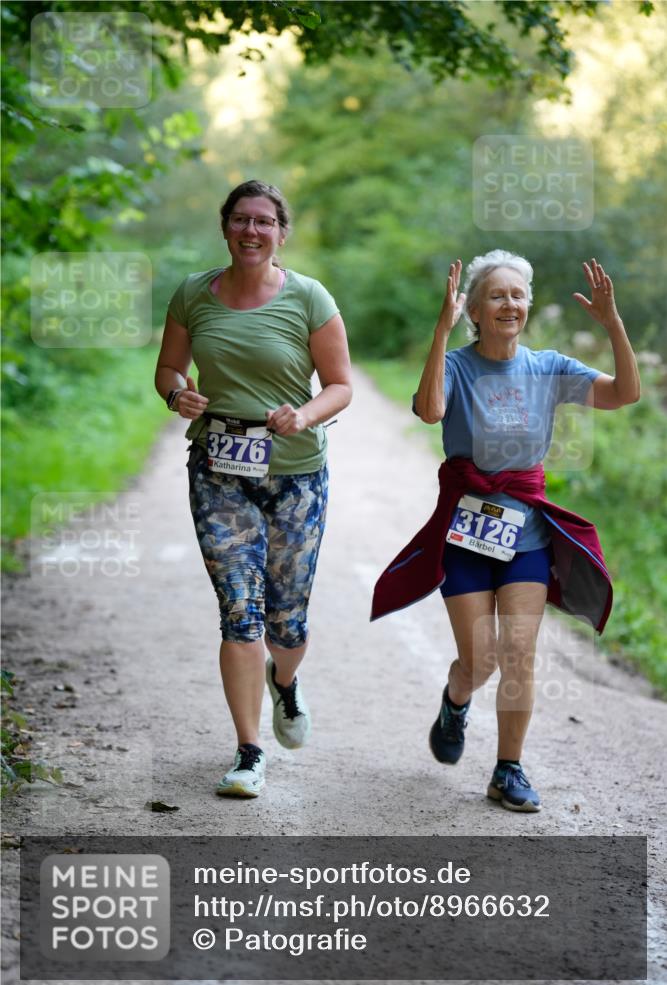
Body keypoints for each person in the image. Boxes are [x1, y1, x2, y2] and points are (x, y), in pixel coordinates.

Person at [372, 250, 640, 812]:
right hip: (466, 534)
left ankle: (508, 769)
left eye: (518, 295)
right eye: (497, 295)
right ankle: (456, 698)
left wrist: (613, 323)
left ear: (529, 305)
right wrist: (441, 333)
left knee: (519, 652)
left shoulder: (549, 367)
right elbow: (428, 409)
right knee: (481, 659)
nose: (509, 304)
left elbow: (623, 395)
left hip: (527, 535)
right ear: (474, 308)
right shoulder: (459, 364)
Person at [155, 179, 352, 797]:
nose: (251, 231)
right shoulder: (193, 294)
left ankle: (285, 683)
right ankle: (247, 752)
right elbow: (167, 367)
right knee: (239, 611)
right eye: (240, 219)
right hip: (218, 472)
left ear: (281, 233)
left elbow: (340, 384)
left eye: (264, 221)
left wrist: (305, 414)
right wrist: (175, 393)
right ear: (225, 227)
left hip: (296, 475)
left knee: (286, 622)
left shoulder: (309, 298)